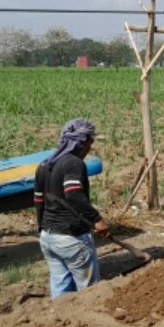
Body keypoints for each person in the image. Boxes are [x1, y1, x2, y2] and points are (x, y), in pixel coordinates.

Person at [34, 118, 109, 299]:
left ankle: (62, 323)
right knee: (90, 293)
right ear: (81, 143)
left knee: (60, 290)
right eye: (90, 143)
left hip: (49, 237)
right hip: (71, 238)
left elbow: (38, 200)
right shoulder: (73, 164)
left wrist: (43, 227)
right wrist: (97, 220)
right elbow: (74, 194)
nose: (90, 148)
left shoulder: (45, 165)